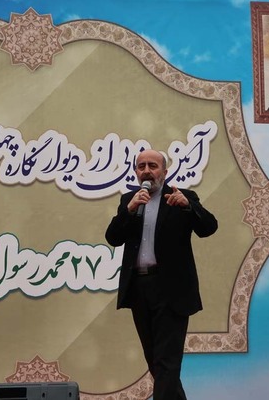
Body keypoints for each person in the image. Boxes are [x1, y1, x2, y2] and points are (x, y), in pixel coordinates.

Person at [105, 149, 218, 400]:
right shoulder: (129, 200)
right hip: (139, 288)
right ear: (136, 172)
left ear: (164, 172)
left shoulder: (180, 197)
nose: (147, 171)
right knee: (156, 361)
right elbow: (113, 237)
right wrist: (129, 211)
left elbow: (209, 227)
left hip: (171, 289)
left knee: (167, 361)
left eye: (153, 166)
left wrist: (189, 207)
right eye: (141, 166)